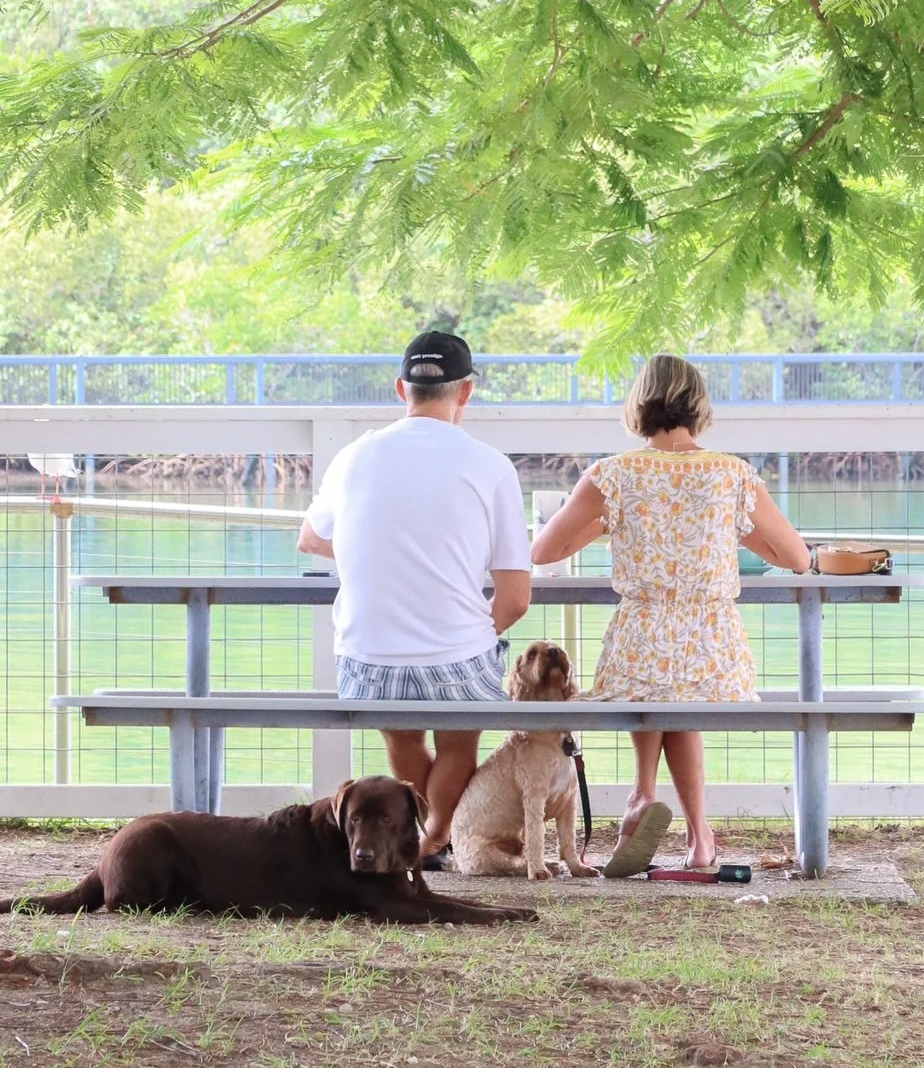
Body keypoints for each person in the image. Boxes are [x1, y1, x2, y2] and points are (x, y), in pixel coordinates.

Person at [530, 353, 810, 875]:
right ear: (698, 406)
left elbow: (543, 551)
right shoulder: (732, 474)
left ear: (640, 405)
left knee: (658, 686)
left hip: (640, 642)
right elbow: (795, 558)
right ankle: (700, 839)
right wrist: (731, 528)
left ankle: (641, 795)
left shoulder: (612, 475)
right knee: (683, 694)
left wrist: (610, 523)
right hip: (714, 647)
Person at [297, 331, 532, 862]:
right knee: (458, 742)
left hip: (366, 658)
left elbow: (309, 538)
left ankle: (427, 843)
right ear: (465, 392)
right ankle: (433, 838)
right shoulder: (490, 465)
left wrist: (376, 553)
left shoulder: (354, 456)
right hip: (456, 654)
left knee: (403, 739)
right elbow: (515, 597)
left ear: (400, 387)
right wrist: (469, 632)